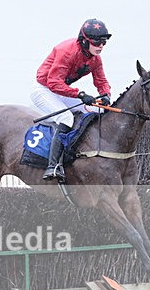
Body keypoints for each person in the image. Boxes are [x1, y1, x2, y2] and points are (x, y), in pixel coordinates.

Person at [30, 18, 112, 181]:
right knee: (66, 117)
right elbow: (53, 83)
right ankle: (53, 166)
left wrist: (106, 95)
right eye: (97, 42)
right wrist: (80, 95)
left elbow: (101, 82)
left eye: (104, 42)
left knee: (97, 110)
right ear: (84, 40)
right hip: (43, 89)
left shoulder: (95, 59)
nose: (101, 46)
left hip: (61, 90)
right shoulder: (67, 51)